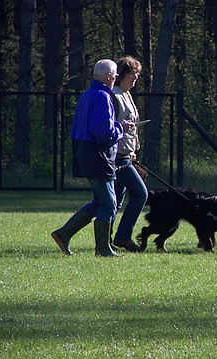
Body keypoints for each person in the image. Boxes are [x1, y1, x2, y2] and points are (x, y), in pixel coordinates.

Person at [51, 59, 133, 257]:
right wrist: (121, 128)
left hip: (84, 151)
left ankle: (64, 234)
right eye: (114, 76)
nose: (115, 79)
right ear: (107, 77)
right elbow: (102, 133)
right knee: (109, 203)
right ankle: (103, 249)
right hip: (97, 155)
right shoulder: (103, 97)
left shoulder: (87, 95)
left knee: (99, 201)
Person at [111, 56, 148, 252]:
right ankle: (122, 237)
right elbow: (112, 128)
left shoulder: (127, 95)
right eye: (133, 73)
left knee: (115, 200)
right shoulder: (115, 96)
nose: (135, 78)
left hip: (127, 155)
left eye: (137, 74)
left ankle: (107, 239)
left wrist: (134, 149)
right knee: (140, 193)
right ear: (122, 74)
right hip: (117, 157)